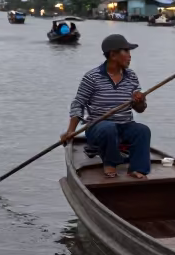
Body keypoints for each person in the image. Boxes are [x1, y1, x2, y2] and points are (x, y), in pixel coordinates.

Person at [63, 33, 150, 179]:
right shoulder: (92, 77)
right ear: (113, 55)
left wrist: (140, 100)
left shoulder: (131, 76)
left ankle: (137, 168)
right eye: (126, 52)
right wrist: (71, 131)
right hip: (98, 128)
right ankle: (110, 162)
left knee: (142, 131)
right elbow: (78, 103)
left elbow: (140, 109)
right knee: (108, 128)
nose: (130, 56)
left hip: (124, 125)